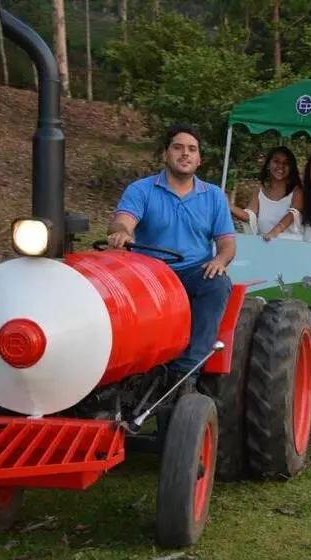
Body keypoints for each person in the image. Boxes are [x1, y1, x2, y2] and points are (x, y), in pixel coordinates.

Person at [107, 124, 235, 393]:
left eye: (192, 149)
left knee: (218, 283)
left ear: (199, 159)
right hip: (149, 273)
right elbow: (123, 222)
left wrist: (219, 260)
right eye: (178, 147)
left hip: (192, 271)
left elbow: (227, 244)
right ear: (165, 154)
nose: (185, 154)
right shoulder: (141, 190)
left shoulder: (213, 196)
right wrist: (122, 234)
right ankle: (118, 368)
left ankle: (185, 371)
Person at [230, 146, 304, 241]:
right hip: (264, 246)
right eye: (276, 161)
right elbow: (248, 216)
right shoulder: (259, 191)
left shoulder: (297, 191)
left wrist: (274, 232)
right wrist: (228, 205)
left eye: (286, 163)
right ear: (268, 165)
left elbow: (293, 214)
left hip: (291, 247)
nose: (280, 166)